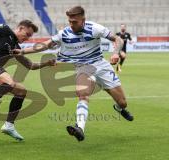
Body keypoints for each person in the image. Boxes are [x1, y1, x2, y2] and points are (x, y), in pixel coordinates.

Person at [13, 6, 134, 142]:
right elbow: (45, 45)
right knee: (82, 94)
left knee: (123, 103)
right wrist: (23, 51)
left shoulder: (94, 28)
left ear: (83, 20)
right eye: (70, 21)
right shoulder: (64, 33)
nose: (71, 24)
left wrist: (116, 53)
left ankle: (119, 108)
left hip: (102, 66)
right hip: (84, 68)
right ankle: (79, 128)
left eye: (74, 21)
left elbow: (118, 40)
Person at [0, 20, 56, 141]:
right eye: (27, 34)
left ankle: (9, 125)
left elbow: (30, 65)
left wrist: (47, 63)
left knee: (21, 91)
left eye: (30, 36)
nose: (27, 38)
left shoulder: (16, 48)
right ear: (20, 28)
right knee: (9, 82)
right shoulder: (5, 30)